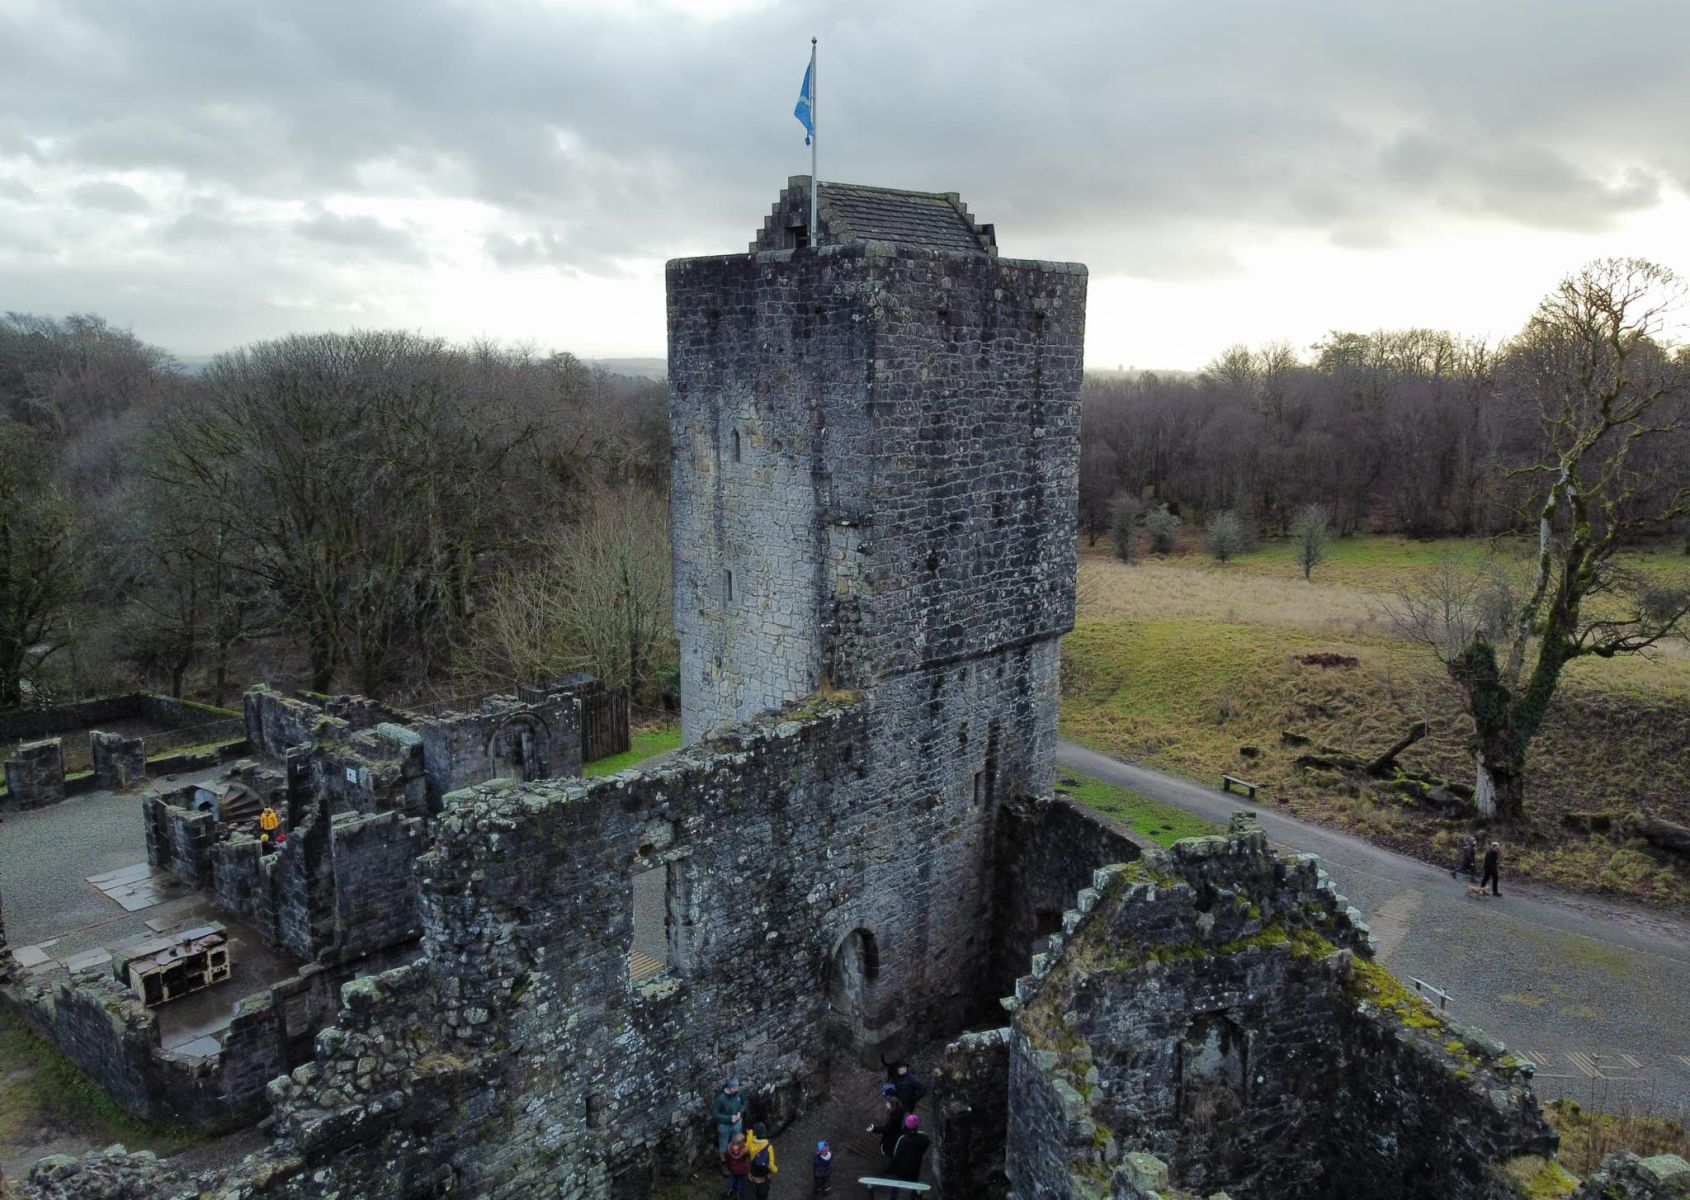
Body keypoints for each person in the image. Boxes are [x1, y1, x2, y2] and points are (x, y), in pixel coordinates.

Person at [889, 1113, 931, 1186]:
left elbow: (896, 1156)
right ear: (917, 1126)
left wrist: (891, 1169)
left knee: (895, 1186)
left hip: (901, 1170)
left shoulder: (902, 1139)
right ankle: (914, 1197)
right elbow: (927, 1143)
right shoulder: (923, 1137)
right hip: (915, 1169)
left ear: (906, 1126)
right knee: (914, 1185)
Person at [712, 1077, 746, 1163]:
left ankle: (735, 1158)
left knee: (737, 1143)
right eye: (734, 1088)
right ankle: (723, 1161)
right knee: (723, 1145)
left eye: (737, 1087)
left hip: (737, 1124)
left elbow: (745, 1103)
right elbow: (715, 1114)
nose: (736, 1089)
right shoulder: (721, 1098)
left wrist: (740, 1112)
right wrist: (729, 1118)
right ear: (729, 1087)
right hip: (724, 1126)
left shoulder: (739, 1093)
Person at [867, 1097, 906, 1162]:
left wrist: (874, 1129)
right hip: (895, 1132)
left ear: (892, 1105)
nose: (886, 1104)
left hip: (891, 1136)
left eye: (888, 1103)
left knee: (888, 1146)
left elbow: (887, 1128)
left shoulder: (894, 1116)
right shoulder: (898, 1111)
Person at [745, 1124, 778, 1200]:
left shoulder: (750, 1144)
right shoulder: (768, 1147)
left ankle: (754, 1189)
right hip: (763, 1174)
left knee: (754, 1186)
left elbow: (746, 1147)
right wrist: (775, 1170)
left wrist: (750, 1134)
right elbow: (771, 1164)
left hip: (754, 1170)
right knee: (763, 1190)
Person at [725, 1132, 751, 1198]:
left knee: (733, 1179)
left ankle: (730, 1190)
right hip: (742, 1170)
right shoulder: (744, 1150)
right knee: (740, 1181)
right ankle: (739, 1194)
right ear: (741, 1142)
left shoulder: (729, 1148)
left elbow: (727, 1157)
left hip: (733, 1168)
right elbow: (749, 1155)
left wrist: (728, 1166)